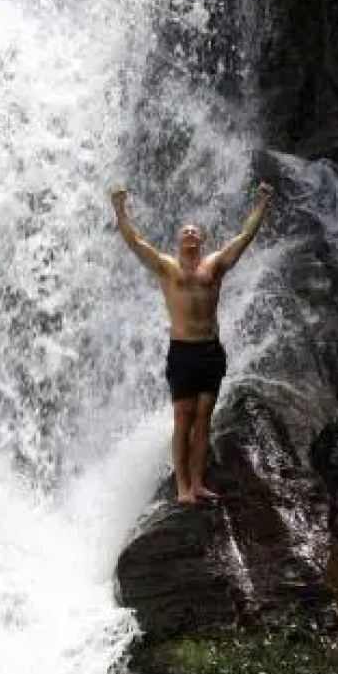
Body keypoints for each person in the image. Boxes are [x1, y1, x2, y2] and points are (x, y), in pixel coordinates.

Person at [110, 183, 273, 504]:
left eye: (194, 231)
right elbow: (135, 242)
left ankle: (198, 483)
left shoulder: (215, 265)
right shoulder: (166, 267)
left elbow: (244, 237)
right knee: (183, 419)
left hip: (211, 351)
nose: (189, 233)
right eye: (184, 230)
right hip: (183, 352)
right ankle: (183, 488)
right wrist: (119, 209)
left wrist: (262, 203)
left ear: (202, 239)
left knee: (204, 420)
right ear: (178, 240)